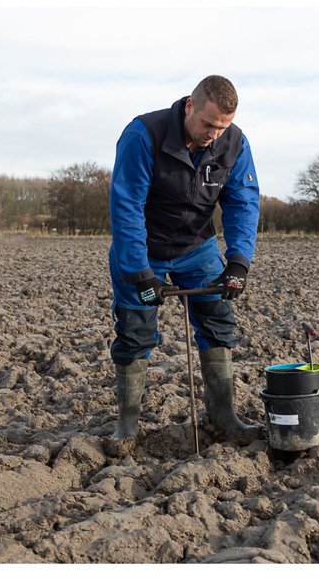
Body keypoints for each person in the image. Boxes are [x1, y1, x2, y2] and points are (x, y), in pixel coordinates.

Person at [108, 75, 260, 451]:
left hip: (197, 245)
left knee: (218, 320)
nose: (214, 134)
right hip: (144, 247)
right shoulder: (145, 134)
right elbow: (126, 206)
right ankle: (127, 427)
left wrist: (239, 261)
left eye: (222, 127)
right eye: (208, 124)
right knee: (135, 330)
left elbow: (243, 201)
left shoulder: (235, 144)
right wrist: (140, 273)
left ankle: (224, 418)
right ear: (190, 106)